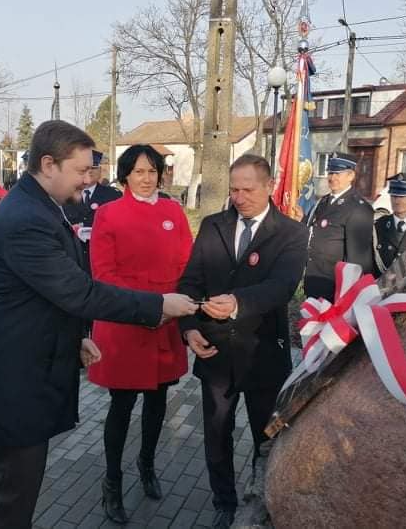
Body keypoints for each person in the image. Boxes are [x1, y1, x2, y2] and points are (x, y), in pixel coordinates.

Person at [0, 120, 197, 529]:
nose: (89, 179)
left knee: (20, 494)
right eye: (82, 170)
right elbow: (81, 291)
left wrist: (74, 339)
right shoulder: (26, 219)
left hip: (30, 376)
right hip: (16, 384)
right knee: (12, 500)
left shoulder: (42, 209)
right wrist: (158, 303)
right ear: (48, 164)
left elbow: (47, 295)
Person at [177, 154, 309, 529]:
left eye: (247, 189)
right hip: (214, 350)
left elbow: (282, 286)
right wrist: (188, 328)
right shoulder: (212, 226)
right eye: (234, 189)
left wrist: (238, 304)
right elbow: (190, 282)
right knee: (216, 434)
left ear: (269, 186)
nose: (238, 197)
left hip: (263, 354)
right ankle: (223, 501)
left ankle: (259, 498)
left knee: (264, 438)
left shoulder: (292, 233)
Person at [88, 145, 194, 524]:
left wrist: (179, 306)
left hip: (166, 322)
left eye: (153, 171)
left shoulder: (172, 211)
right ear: (126, 176)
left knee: (158, 400)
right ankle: (112, 482)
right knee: (122, 405)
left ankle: (146, 465)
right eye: (139, 171)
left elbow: (187, 262)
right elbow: (103, 274)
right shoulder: (110, 214)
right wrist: (148, 306)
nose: (147, 178)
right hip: (126, 321)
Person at [300, 151, 374, 302]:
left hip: (336, 287)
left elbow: (358, 259)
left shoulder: (358, 208)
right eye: (330, 173)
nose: (332, 178)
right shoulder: (323, 201)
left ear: (351, 176)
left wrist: (350, 296)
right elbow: (312, 231)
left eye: (338, 173)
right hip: (314, 280)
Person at [63, 149, 121, 262]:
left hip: (104, 257)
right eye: (85, 168)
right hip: (73, 258)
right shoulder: (65, 195)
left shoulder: (113, 196)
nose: (89, 171)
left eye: (93, 167)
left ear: (100, 170)